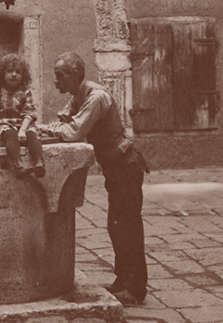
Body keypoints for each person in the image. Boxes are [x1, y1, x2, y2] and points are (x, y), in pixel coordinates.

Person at [40, 52, 149, 306]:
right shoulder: (78, 96)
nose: (56, 82)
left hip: (126, 165)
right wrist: (49, 127)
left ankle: (136, 289)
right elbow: (63, 121)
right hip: (115, 168)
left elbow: (74, 132)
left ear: (76, 75)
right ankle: (123, 281)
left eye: (60, 76)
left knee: (128, 227)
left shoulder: (95, 97)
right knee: (116, 225)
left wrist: (46, 129)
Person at [0, 53, 45, 177]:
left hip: (22, 125)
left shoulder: (25, 92)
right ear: (2, 74)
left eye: (18, 72)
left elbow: (29, 112)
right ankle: (18, 164)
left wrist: (23, 130)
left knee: (32, 135)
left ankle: (39, 163)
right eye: (9, 71)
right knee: (10, 135)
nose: (14, 74)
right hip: (3, 125)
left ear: (23, 75)